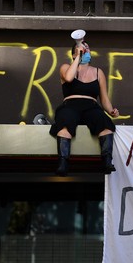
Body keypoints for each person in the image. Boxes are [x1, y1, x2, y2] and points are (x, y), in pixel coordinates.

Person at [49, 29, 120, 176]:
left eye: (86, 48)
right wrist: (77, 58)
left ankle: (107, 161)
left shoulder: (98, 72)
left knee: (104, 122)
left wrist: (111, 111)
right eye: (81, 49)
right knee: (65, 120)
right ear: (74, 53)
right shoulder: (66, 67)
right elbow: (69, 78)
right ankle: (63, 162)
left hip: (91, 105)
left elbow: (104, 98)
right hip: (71, 104)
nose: (84, 50)